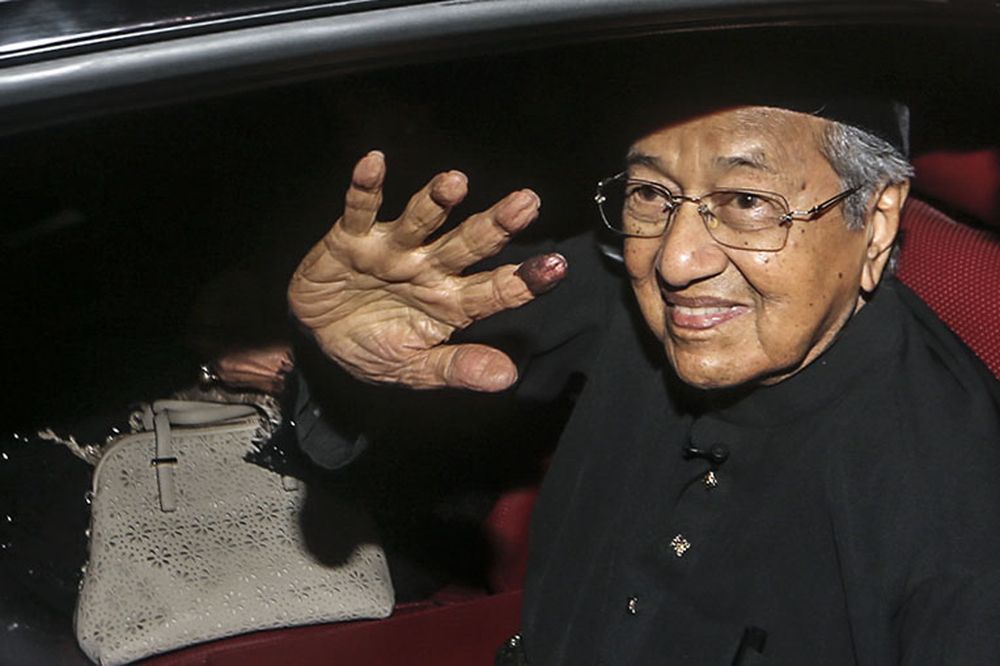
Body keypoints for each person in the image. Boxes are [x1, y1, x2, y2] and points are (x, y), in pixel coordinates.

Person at [285, 100, 1000, 664]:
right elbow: (415, 350)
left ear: (875, 223)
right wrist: (344, 360)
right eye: (651, 194)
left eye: (748, 201)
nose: (676, 260)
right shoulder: (616, 292)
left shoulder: (963, 521)